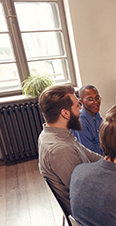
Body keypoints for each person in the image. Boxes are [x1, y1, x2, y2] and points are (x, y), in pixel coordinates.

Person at [38, 84, 104, 215]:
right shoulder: (60, 150)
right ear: (65, 113)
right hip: (91, 214)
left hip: (91, 191)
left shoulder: (56, 133)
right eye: (77, 106)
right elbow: (86, 194)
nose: (81, 109)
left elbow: (92, 156)